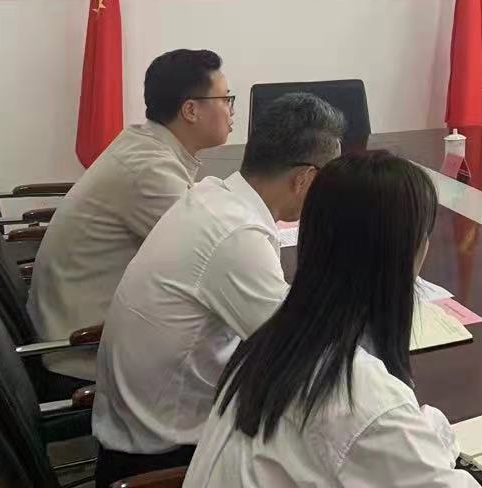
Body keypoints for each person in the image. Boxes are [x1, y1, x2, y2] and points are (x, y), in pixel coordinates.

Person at [184, 151, 482, 486]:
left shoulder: (275, 340)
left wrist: (424, 433)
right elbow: (368, 428)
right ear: (409, 253)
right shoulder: (358, 398)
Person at [92, 92, 345, 486]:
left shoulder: (214, 195)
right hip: (161, 455)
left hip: (137, 422)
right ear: (304, 179)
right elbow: (303, 358)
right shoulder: (236, 235)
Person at [28, 48, 235, 381]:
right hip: (83, 351)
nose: (231, 110)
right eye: (225, 99)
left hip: (81, 326)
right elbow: (215, 256)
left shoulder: (145, 145)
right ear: (191, 110)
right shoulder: (148, 169)